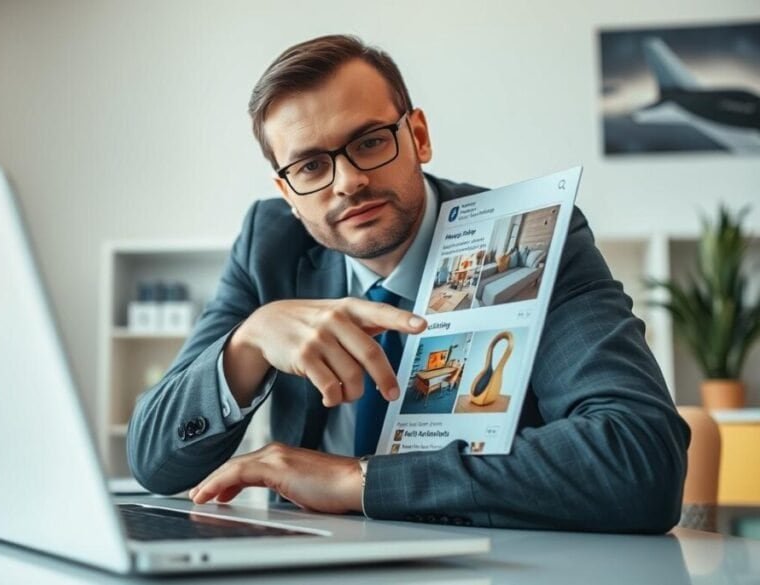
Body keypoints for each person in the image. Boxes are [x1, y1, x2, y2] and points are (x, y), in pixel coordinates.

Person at [127, 34, 689, 533]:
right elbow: (154, 462)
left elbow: (640, 459)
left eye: (370, 141)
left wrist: (359, 480)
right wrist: (247, 342)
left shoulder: (536, 234)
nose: (348, 182)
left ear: (418, 135)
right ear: (286, 193)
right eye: (310, 168)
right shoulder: (268, 244)